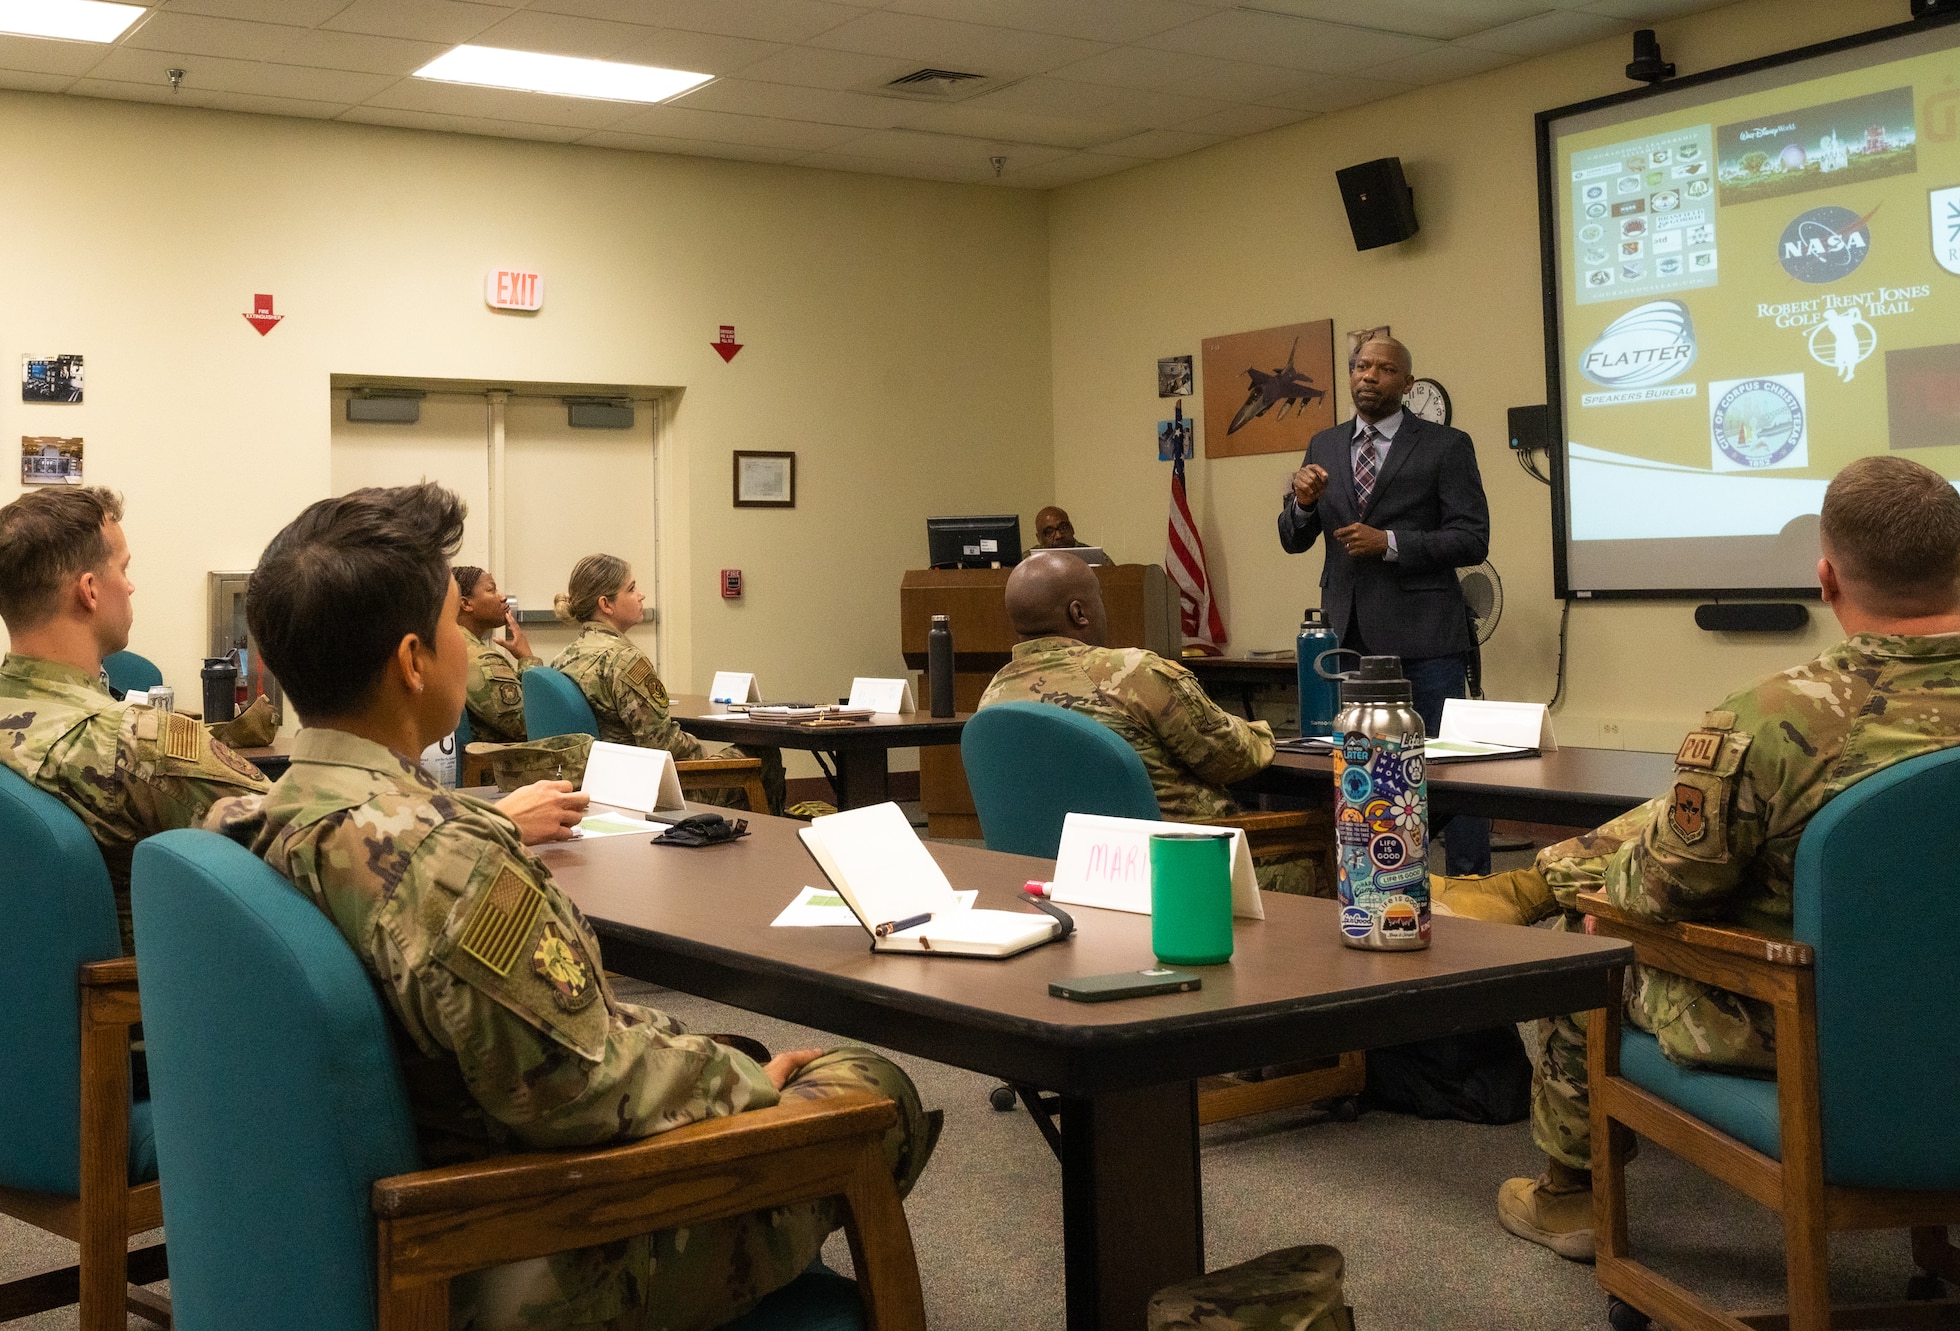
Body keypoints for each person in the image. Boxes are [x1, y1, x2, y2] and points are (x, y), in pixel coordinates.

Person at [204, 484, 937, 1330]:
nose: (471, 652)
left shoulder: (248, 816)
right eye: (457, 627)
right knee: (868, 1087)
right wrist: (744, 1086)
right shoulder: (443, 858)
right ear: (412, 660)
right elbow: (582, 1090)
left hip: (336, 1223)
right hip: (504, 1253)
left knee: (718, 1046)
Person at [1434, 455, 1960, 1262]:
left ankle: (1571, 1199)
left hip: (1815, 1026)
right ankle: (1519, 886)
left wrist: (1580, 893)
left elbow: (1658, 892)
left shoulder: (1774, 719)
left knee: (1585, 946)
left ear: (1827, 580)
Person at [0, 487, 267, 952]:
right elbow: (303, 836)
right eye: (123, 569)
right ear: (89, 591)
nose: (130, 585)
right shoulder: (137, 742)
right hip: (139, 1008)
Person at [979, 550, 1326, 895]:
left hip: (1064, 876)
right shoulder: (1132, 672)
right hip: (1182, 870)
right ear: (1079, 612)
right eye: (1099, 598)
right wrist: (1268, 735)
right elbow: (1232, 756)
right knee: (1338, 840)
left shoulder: (994, 695)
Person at [1277, 332, 1492, 875]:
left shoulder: (1446, 445)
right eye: (1360, 366)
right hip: (1348, 639)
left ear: (1407, 384)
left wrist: (1390, 544)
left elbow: (1472, 538)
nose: (1369, 376)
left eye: (1384, 369)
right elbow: (1293, 538)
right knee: (1360, 772)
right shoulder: (1323, 445)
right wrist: (1301, 504)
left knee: (1449, 770)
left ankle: (1471, 882)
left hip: (1427, 638)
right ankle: (1372, 873)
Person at [550, 553, 785, 814]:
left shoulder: (563, 658)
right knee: (764, 755)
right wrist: (706, 757)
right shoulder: (624, 659)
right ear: (606, 604)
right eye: (631, 588)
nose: (641, 595)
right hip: (642, 790)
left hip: (599, 786)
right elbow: (662, 742)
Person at [453, 565, 536, 744]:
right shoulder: (482, 661)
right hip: (499, 768)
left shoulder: (452, 646)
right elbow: (530, 726)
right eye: (491, 590)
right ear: (466, 604)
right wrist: (527, 659)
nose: (503, 597)